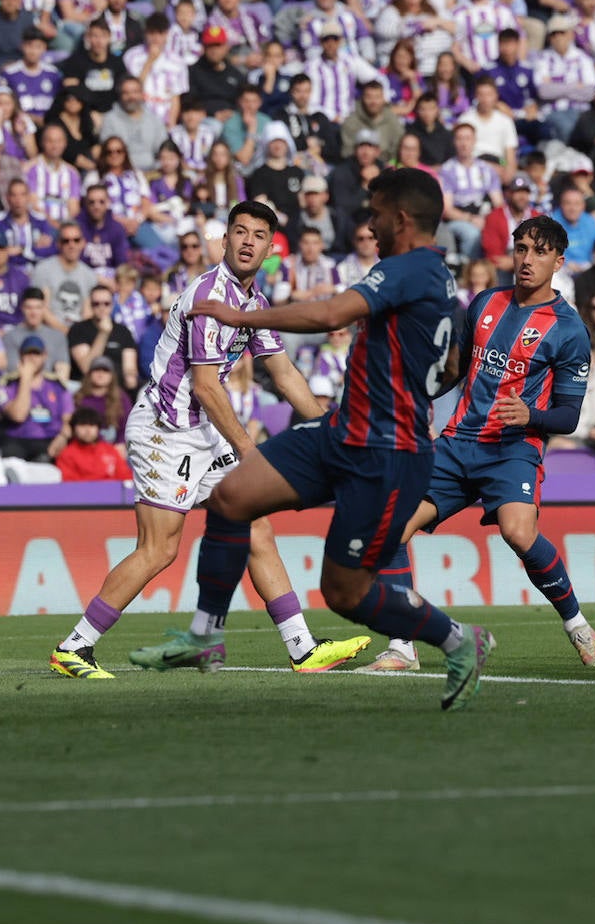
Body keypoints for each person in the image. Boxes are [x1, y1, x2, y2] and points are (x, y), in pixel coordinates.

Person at [179, 168, 496, 711]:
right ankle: (205, 637)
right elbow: (451, 365)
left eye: (375, 214)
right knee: (232, 497)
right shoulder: (433, 277)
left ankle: (459, 639)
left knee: (345, 594)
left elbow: (329, 314)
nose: (368, 225)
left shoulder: (411, 269)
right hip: (341, 428)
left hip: (384, 452)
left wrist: (241, 315)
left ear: (401, 217)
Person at [53, 201, 370, 680]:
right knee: (159, 549)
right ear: (224, 240)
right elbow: (204, 386)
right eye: (238, 231)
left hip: (202, 428)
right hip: (166, 428)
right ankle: (74, 648)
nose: (247, 241)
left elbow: (284, 374)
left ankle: (303, 648)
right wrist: (249, 450)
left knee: (255, 526)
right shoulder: (209, 297)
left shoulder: (253, 303)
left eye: (258, 235)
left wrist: (333, 430)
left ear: (269, 248)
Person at [364, 216, 595, 675]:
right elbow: (455, 367)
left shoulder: (569, 329)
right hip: (458, 444)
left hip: (512, 449)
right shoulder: (484, 303)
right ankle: (402, 646)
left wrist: (531, 416)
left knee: (519, 533)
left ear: (558, 261)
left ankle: (576, 624)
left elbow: (569, 416)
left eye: (538, 252)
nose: (526, 260)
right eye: (520, 249)